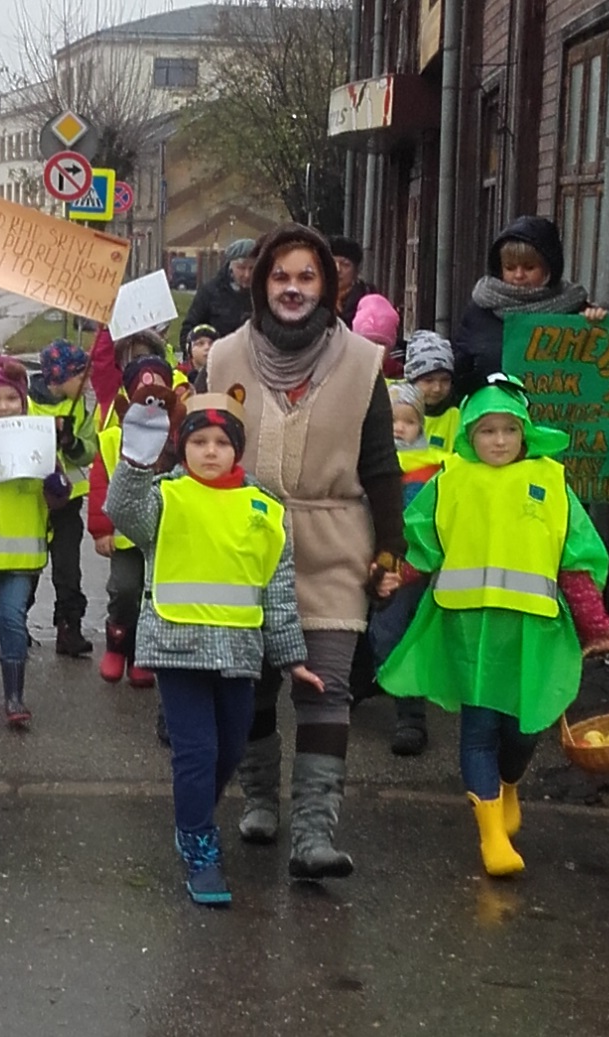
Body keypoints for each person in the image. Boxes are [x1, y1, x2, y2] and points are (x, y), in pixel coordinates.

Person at [206, 223, 403, 880]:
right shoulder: (224, 359)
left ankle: (315, 833)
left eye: (306, 276)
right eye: (280, 276)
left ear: (327, 286)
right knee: (252, 683)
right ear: (262, 283)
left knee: (327, 687)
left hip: (332, 538)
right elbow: (200, 452)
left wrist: (389, 549)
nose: (292, 288)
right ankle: (261, 798)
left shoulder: (362, 363)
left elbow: (381, 465)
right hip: (246, 543)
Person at [379, 378, 609, 876]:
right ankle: (491, 836)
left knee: (525, 728)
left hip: (533, 630)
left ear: (525, 432)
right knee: (480, 729)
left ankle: (509, 785)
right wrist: (398, 574)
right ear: (470, 434)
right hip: (469, 629)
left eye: (510, 429)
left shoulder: (551, 482)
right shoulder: (451, 480)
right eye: (487, 430)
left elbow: (575, 558)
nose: (500, 440)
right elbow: (423, 540)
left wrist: (595, 625)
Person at [105, 381, 319, 906]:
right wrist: (136, 460)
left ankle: (194, 816)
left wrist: (292, 657)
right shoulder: (165, 497)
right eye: (199, 442)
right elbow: (123, 511)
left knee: (229, 750)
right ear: (183, 447)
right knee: (197, 753)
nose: (210, 452)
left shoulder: (265, 508)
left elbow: (277, 589)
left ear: (237, 450)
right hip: (176, 646)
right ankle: (200, 845)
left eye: (222, 443)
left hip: (239, 653)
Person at [0, 355, 72, 729]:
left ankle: (14, 695)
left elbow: (59, 493)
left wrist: (58, 487)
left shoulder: (38, 439)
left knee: (10, 619)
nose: (2, 406)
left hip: (22, 554)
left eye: (10, 398)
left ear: (23, 400)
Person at [89, 349, 178, 691]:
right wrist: (101, 529)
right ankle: (117, 643)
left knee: (153, 596)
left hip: (164, 535)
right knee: (125, 590)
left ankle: (143, 654)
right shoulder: (114, 438)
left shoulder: (179, 434)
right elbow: (100, 484)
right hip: (125, 534)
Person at [451, 216, 608, 402]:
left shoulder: (573, 310)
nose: (518, 275)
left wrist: (596, 326)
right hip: (495, 413)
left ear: (548, 268)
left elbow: (600, 373)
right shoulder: (480, 309)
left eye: (529, 267)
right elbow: (458, 369)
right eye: (510, 267)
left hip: (555, 415)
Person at [367, 382, 443, 756]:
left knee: (393, 636)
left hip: (406, 570)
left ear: (421, 426)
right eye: (391, 421)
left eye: (409, 422)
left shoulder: (434, 470)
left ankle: (411, 718)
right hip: (360, 560)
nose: (399, 428)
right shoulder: (364, 462)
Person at [26, 340, 98, 657]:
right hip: (34, 500)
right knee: (28, 566)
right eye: (81, 376)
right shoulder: (26, 403)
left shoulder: (78, 407)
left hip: (69, 501)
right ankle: (16, 622)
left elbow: (90, 449)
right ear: (59, 376)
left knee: (68, 569)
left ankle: (69, 628)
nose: (87, 382)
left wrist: (72, 444)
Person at [179, 238, 256, 343]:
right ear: (231, 267)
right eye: (241, 268)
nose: (247, 275)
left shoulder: (265, 294)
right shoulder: (209, 292)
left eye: (252, 268)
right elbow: (188, 331)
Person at [402, 330, 460, 456]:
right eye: (428, 380)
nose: (437, 388)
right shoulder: (394, 411)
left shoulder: (456, 417)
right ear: (412, 380)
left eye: (445, 380)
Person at [351, 293, 404, 379]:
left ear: (390, 348)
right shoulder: (343, 371)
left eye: (380, 344)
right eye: (367, 343)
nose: (374, 349)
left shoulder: (398, 373)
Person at [330, 236, 378, 328]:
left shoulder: (368, 296)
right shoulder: (315, 296)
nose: (337, 270)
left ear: (356, 271)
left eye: (345, 265)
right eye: (332, 263)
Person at [179, 323, 218, 388]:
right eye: (200, 343)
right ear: (190, 349)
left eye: (211, 343)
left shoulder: (224, 373)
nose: (207, 347)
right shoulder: (179, 374)